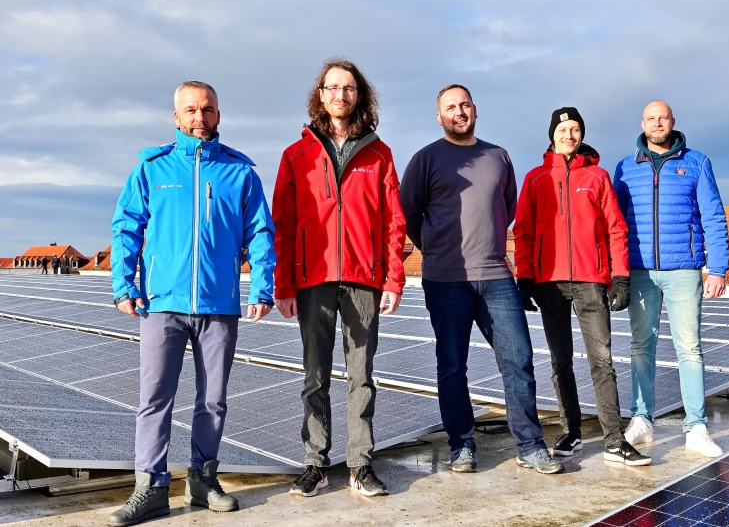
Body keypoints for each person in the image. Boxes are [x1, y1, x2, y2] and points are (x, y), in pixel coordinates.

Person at [108, 81, 276, 526]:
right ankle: (151, 488)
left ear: (219, 115)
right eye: (190, 110)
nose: (199, 117)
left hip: (219, 304)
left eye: (207, 109)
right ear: (176, 117)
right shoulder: (151, 169)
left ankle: (203, 479)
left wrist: (262, 286)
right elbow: (126, 226)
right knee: (154, 398)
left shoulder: (240, 173)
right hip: (162, 303)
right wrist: (123, 284)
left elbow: (260, 233)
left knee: (213, 399)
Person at [400, 84, 564, 475]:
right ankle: (461, 445)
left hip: (495, 276)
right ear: (439, 117)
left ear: (475, 109)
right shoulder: (425, 160)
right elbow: (408, 214)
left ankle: (530, 444)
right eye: (450, 107)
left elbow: (505, 208)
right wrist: (438, 251)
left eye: (465, 104)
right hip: (445, 279)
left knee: (518, 360)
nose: (459, 111)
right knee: (452, 365)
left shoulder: (498, 156)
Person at [272, 59, 406, 498]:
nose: (340, 96)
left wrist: (393, 279)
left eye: (348, 88)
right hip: (312, 281)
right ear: (320, 95)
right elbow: (284, 224)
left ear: (359, 96)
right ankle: (315, 463)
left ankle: (359, 463)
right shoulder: (297, 155)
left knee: (361, 375)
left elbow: (393, 223)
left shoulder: (379, 154)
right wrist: (283, 285)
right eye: (332, 88)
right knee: (315, 375)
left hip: (364, 279)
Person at [514, 107, 650, 466]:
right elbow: (524, 232)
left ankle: (614, 440)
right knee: (561, 363)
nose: (569, 135)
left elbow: (616, 229)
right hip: (550, 283)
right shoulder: (536, 178)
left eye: (575, 129)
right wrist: (524, 278)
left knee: (601, 361)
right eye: (563, 129)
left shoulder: (598, 176)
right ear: (552, 135)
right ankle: (571, 432)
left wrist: (619, 275)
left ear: (581, 134)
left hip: (592, 282)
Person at [613, 100, 729, 458]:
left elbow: (713, 216)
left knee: (689, 349)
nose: (657, 123)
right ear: (643, 124)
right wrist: (615, 271)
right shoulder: (625, 167)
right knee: (640, 347)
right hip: (640, 271)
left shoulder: (697, 163)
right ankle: (641, 421)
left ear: (673, 122)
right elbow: (614, 223)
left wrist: (719, 268)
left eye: (663, 117)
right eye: (651, 118)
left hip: (684, 270)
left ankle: (696, 427)